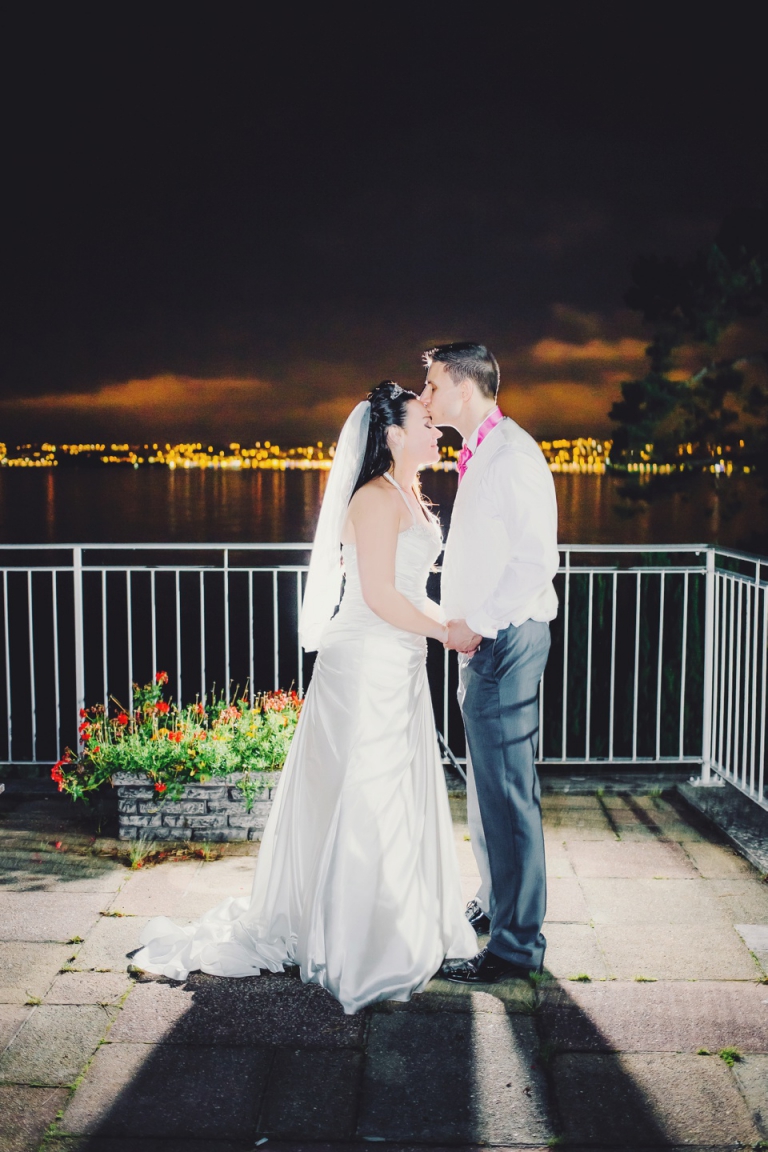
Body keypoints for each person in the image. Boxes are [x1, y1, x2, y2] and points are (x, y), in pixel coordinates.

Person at [133, 381, 477, 1014]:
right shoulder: (374, 500)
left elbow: (406, 586)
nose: (438, 432)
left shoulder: (411, 493)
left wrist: (449, 619)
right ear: (394, 434)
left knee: (393, 791)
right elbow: (377, 595)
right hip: (366, 662)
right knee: (366, 794)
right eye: (426, 423)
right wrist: (447, 631)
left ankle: (392, 920)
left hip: (397, 659)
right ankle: (358, 944)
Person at [420, 342, 559, 984]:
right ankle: (496, 899)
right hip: (487, 643)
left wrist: (477, 623)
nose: (426, 399)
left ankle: (515, 947)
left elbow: (535, 561)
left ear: (466, 389)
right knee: (486, 785)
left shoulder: (513, 455)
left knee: (506, 795)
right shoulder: (482, 455)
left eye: (433, 387)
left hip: (504, 640)